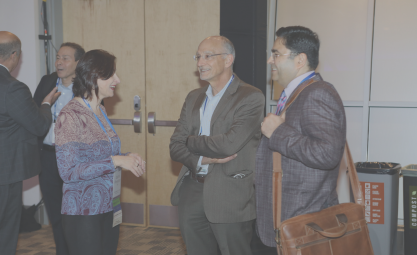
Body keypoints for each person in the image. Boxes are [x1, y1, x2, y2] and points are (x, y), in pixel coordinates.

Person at [170, 36, 265, 255]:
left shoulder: (250, 96)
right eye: (198, 57)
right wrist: (200, 158)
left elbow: (228, 144)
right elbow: (175, 146)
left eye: (207, 56)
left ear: (228, 59)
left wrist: (190, 141)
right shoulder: (193, 97)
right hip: (192, 187)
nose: (200, 62)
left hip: (229, 192)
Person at [255, 26, 347, 251]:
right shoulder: (296, 94)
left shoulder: (318, 93)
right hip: (288, 218)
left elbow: (327, 154)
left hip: (305, 221)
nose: (270, 60)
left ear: (300, 60)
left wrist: (277, 132)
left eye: (276, 54)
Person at [54, 49, 145, 255]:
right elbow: (68, 171)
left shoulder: (99, 110)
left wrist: (127, 156)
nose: (117, 79)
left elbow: (101, 153)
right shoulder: (70, 115)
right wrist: (115, 161)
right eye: (111, 74)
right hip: (83, 212)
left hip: (108, 205)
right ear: (93, 76)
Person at [0, 31, 59, 254]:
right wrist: (45, 104)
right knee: (5, 232)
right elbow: (38, 125)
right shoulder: (12, 87)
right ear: (14, 55)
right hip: (4, 175)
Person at [33, 42, 85, 255]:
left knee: (76, 214)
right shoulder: (47, 82)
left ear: (78, 63)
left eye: (66, 58)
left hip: (75, 159)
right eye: (58, 57)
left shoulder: (86, 87)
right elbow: (34, 114)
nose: (59, 62)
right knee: (55, 214)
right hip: (48, 157)